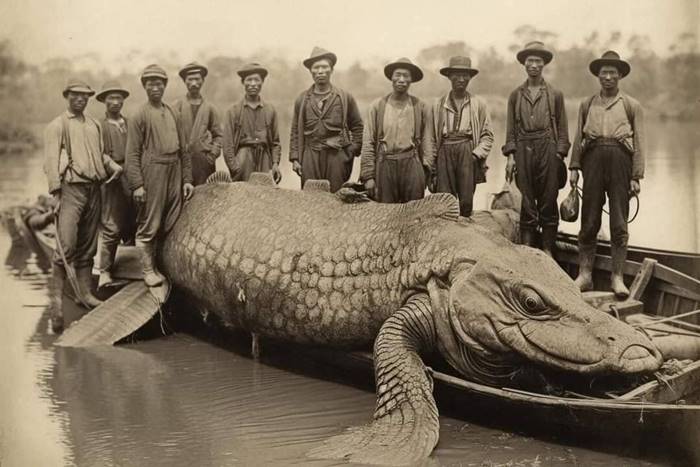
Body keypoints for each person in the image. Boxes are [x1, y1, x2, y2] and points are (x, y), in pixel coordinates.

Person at [44, 79, 123, 330]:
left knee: (89, 245)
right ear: (66, 96)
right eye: (75, 95)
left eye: (85, 95)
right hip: (71, 190)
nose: (80, 99)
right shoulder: (57, 125)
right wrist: (55, 193)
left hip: (94, 189)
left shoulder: (94, 124)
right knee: (66, 245)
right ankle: (56, 305)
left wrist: (113, 166)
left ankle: (85, 294)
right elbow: (50, 162)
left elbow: (101, 154)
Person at [569, 51, 646, 298]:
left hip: (620, 164)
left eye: (613, 73)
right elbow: (578, 137)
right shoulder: (587, 104)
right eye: (604, 73)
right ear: (598, 76)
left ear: (620, 75)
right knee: (589, 220)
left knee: (619, 222)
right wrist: (574, 167)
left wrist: (636, 176)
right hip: (592, 162)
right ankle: (585, 275)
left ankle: (617, 277)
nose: (608, 77)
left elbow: (640, 142)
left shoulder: (631, 105)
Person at [126, 64, 193, 287]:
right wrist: (137, 184)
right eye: (150, 84)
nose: (155, 88)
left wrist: (187, 179)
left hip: (174, 167)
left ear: (165, 86)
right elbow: (132, 154)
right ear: (144, 87)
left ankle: (164, 266)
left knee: (172, 217)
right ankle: (147, 270)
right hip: (153, 169)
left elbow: (184, 149)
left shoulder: (173, 112)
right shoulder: (139, 115)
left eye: (159, 83)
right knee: (150, 221)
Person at [502, 41, 570, 256]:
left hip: (548, 147)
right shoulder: (515, 95)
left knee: (549, 200)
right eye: (529, 60)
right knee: (526, 202)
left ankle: (548, 251)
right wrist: (511, 157)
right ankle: (528, 252)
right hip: (523, 148)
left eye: (537, 61)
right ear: (524, 64)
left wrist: (559, 155)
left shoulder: (555, 94)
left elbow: (562, 128)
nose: (533, 65)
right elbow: (510, 130)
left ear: (544, 64)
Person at [289, 46, 364, 192]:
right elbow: (295, 131)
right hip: (310, 155)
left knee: (336, 197)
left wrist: (351, 151)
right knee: (310, 196)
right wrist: (295, 158)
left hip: (337, 156)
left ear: (332, 70)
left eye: (324, 67)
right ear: (311, 71)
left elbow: (357, 127)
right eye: (316, 67)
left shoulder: (344, 97)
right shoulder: (302, 99)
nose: (320, 71)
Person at [427, 56, 494, 217]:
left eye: (465, 75)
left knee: (466, 203)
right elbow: (430, 139)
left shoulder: (478, 104)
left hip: (467, 152)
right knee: (444, 202)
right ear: (449, 76)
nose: (461, 79)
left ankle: (465, 230)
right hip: (444, 152)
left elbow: (487, 135)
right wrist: (432, 168)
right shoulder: (437, 105)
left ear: (470, 78)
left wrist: (475, 155)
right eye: (456, 75)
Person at [359, 57, 433, 203]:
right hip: (385, 165)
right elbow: (368, 142)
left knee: (414, 211)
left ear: (411, 80)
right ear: (391, 78)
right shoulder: (377, 106)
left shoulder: (421, 107)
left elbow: (428, 142)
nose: (401, 80)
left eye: (406, 76)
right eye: (398, 75)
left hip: (412, 164)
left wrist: (426, 172)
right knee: (385, 212)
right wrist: (368, 176)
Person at [95, 81, 136, 289]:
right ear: (104, 101)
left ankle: (130, 265)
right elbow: (97, 152)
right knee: (112, 225)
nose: (115, 102)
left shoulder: (130, 123)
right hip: (111, 179)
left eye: (119, 98)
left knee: (133, 221)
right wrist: (111, 165)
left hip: (132, 175)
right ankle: (104, 271)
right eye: (111, 98)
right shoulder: (99, 126)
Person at [223, 63, 282, 183]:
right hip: (243, 159)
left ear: (262, 82)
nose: (253, 84)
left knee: (265, 191)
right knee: (242, 192)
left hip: (265, 159)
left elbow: (275, 142)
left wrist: (275, 163)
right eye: (249, 80)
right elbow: (227, 145)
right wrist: (235, 167)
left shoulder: (270, 110)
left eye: (257, 80)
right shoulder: (233, 111)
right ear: (243, 82)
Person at [173, 62, 223, 185]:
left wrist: (212, 154)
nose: (194, 83)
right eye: (190, 79)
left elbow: (219, 135)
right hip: (182, 162)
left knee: (206, 194)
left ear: (203, 81)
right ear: (184, 81)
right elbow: (170, 133)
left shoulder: (210, 108)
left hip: (204, 163)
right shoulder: (176, 107)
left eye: (197, 79)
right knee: (183, 193)